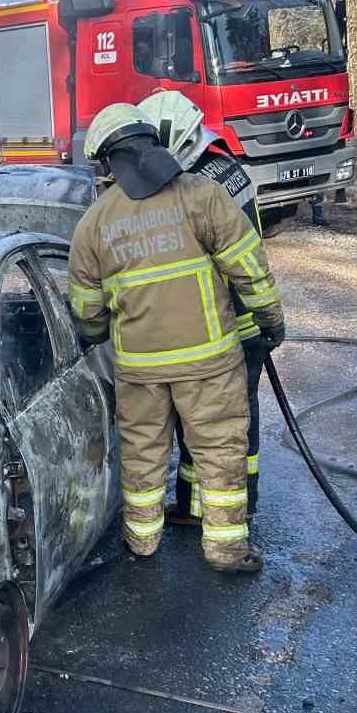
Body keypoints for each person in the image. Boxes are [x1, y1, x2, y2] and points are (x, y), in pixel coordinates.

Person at [69, 103, 285, 575]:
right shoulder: (202, 195)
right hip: (209, 362)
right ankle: (226, 549)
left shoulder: (94, 223)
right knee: (220, 451)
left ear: (107, 162)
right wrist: (271, 319)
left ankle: (141, 542)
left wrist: (99, 333)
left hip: (140, 370)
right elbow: (249, 267)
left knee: (143, 455)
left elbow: (87, 312)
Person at [139, 91, 267, 529]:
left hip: (231, 324)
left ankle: (226, 508)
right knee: (227, 420)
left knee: (217, 423)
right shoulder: (227, 167)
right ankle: (210, 505)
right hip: (245, 318)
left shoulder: (204, 186)